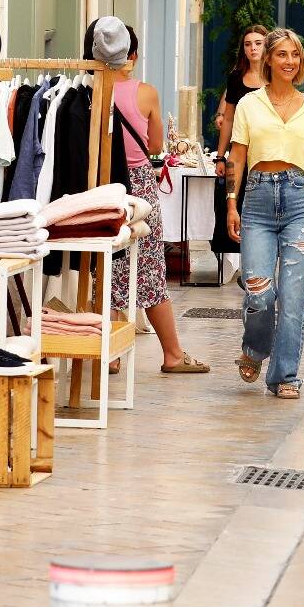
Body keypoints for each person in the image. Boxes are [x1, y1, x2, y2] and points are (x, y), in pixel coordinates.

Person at [226, 28, 304, 399]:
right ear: (268, 59)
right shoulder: (249, 105)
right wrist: (231, 203)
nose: (290, 61)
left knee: (294, 300)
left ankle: (284, 376)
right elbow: (238, 157)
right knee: (259, 294)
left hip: (298, 203)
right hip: (258, 202)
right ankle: (254, 349)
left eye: (295, 55)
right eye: (282, 54)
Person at [98, 18, 209, 373]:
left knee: (106, 266)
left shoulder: (88, 91)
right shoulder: (145, 93)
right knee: (148, 268)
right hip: (139, 185)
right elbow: (156, 145)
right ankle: (172, 354)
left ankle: (109, 353)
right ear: (133, 54)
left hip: (101, 184)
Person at [213, 25, 269, 182]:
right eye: (248, 44)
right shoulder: (236, 77)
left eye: (258, 43)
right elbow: (229, 119)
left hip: (270, 152)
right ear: (243, 49)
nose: (253, 48)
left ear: (267, 45)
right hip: (239, 149)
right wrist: (220, 157)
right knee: (234, 198)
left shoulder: (276, 76)